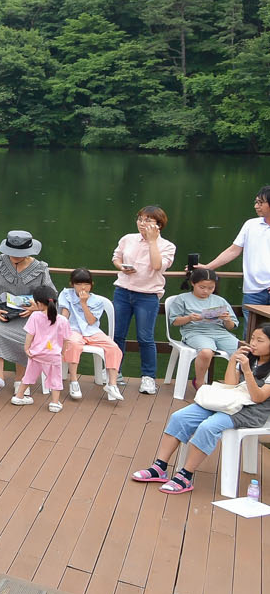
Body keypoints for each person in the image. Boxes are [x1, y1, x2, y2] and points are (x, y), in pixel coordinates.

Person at [131, 327, 270, 494]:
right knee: (180, 417)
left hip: (252, 412)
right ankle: (160, 467)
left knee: (208, 426)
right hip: (230, 402)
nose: (253, 343)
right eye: (252, 338)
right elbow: (230, 385)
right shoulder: (250, 358)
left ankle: (186, 475)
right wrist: (233, 360)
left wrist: (247, 371)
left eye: (259, 340)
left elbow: (258, 397)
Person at [111, 205, 177, 395]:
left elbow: (157, 266)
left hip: (147, 295)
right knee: (117, 334)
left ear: (159, 224)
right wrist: (121, 267)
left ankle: (148, 377)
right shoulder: (128, 239)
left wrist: (152, 241)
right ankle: (115, 372)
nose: (142, 223)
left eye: (148, 220)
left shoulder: (167, 246)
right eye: (140, 219)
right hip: (123, 291)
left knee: (145, 337)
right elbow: (116, 257)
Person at [0, 231, 52, 396]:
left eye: (19, 254)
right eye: (11, 253)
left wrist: (35, 307)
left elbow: (50, 295)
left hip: (27, 313)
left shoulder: (40, 268)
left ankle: (20, 379)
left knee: (27, 336)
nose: (14, 256)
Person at [203, 186, 270, 328]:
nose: (256, 206)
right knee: (251, 333)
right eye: (256, 202)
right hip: (253, 290)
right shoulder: (251, 225)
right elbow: (233, 250)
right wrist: (207, 267)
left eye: (260, 203)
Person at [170, 266, 240, 390]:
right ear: (193, 283)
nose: (206, 291)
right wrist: (189, 318)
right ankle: (200, 382)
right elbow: (174, 321)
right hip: (195, 332)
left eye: (211, 288)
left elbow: (231, 326)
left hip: (220, 332)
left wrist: (227, 319)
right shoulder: (182, 299)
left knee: (242, 351)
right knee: (206, 352)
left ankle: (236, 382)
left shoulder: (220, 300)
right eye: (202, 287)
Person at [61, 268, 124, 402]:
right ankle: (74, 381)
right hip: (73, 329)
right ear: (72, 284)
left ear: (91, 285)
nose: (83, 287)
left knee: (113, 348)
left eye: (86, 284)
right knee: (74, 344)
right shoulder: (66, 294)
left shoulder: (97, 301)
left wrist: (83, 303)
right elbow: (64, 315)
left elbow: (91, 321)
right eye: (78, 284)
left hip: (91, 330)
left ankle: (112, 384)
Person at [16, 285, 72, 412]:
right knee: (55, 379)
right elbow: (66, 340)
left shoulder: (35, 316)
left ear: (39, 304)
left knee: (28, 375)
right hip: (53, 355)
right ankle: (55, 403)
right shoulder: (62, 320)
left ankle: (19, 396)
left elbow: (30, 335)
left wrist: (27, 348)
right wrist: (62, 353)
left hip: (36, 353)